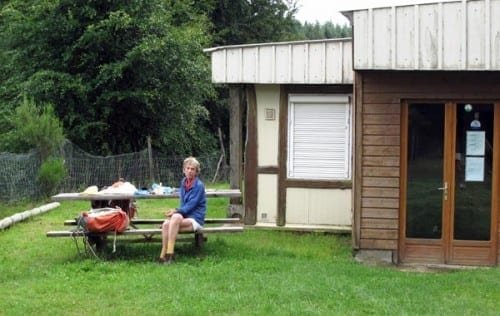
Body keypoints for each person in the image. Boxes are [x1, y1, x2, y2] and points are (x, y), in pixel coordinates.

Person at [158, 156, 206, 264]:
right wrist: (176, 211)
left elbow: (191, 205)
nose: (189, 171)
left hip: (195, 219)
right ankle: (163, 255)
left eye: (192, 169)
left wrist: (176, 211)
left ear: (196, 171)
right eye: (187, 168)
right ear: (184, 170)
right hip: (185, 217)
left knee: (175, 217)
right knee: (166, 224)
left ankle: (170, 254)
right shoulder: (184, 182)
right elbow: (183, 204)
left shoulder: (199, 186)